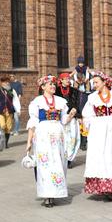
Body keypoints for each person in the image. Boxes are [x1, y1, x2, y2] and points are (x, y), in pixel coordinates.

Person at [25, 75, 77, 207]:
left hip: (58, 135)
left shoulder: (60, 101)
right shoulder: (37, 102)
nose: (53, 86)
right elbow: (33, 122)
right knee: (44, 165)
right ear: (43, 87)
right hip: (43, 135)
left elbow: (64, 120)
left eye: (54, 84)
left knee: (58, 163)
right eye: (50, 84)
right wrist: (29, 142)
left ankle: (56, 193)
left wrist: (71, 115)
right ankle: (46, 195)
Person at [82, 72, 112, 201]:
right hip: (98, 131)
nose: (94, 84)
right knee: (99, 156)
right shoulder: (92, 98)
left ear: (104, 82)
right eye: (93, 82)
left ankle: (111, 189)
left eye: (96, 82)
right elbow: (87, 114)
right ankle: (101, 187)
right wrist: (91, 124)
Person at [54, 73, 81, 168]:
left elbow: (78, 103)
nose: (68, 80)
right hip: (61, 119)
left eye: (69, 79)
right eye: (66, 79)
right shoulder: (56, 91)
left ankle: (69, 159)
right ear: (61, 80)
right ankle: (62, 158)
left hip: (72, 118)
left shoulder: (74, 91)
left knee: (72, 139)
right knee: (63, 139)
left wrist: (75, 112)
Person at [0, 75, 21, 148]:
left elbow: (16, 101)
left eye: (8, 82)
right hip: (0, 111)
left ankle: (5, 143)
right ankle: (1, 141)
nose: (7, 83)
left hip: (9, 111)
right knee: (2, 126)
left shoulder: (12, 91)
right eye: (5, 82)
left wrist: (18, 110)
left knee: (8, 128)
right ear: (2, 83)